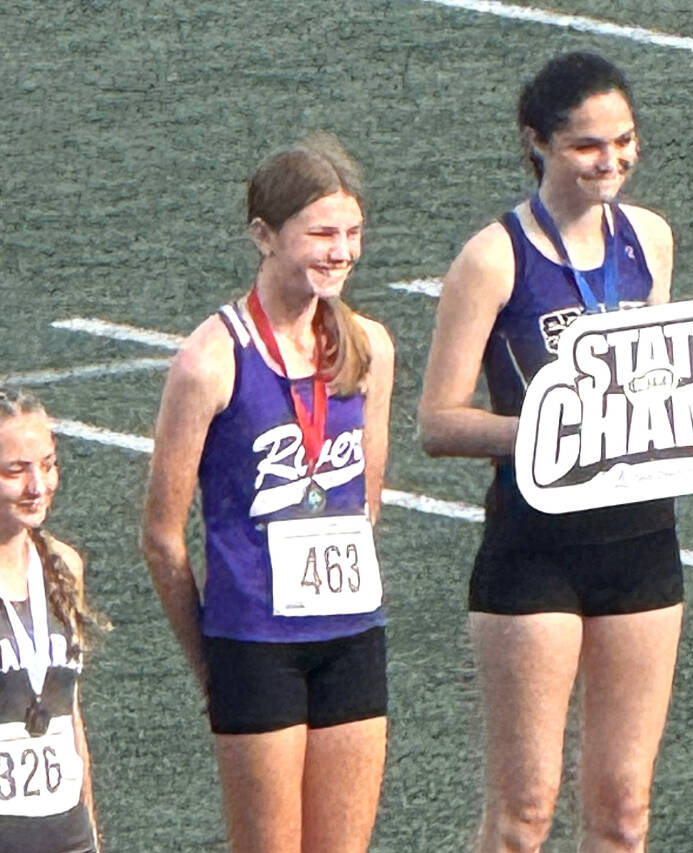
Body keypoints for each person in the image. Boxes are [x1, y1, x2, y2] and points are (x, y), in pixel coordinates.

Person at [417, 51, 681, 853]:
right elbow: (438, 421)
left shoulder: (650, 238)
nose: (612, 162)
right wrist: (552, 428)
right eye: (588, 146)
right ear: (537, 142)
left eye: (624, 141)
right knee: (523, 813)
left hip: (640, 537)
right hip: (536, 545)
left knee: (625, 813)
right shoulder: (494, 257)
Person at [141, 133, 395, 853]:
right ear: (263, 235)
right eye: (321, 234)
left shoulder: (369, 347)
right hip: (255, 643)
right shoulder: (209, 360)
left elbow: (366, 503)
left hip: (351, 635)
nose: (340, 251)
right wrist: (213, 660)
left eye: (352, 234)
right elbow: (162, 533)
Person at [0, 389, 102, 853]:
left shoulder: (63, 565)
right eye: (16, 471)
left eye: (48, 464)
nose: (38, 486)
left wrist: (93, 837)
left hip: (67, 835)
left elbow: (70, 713)